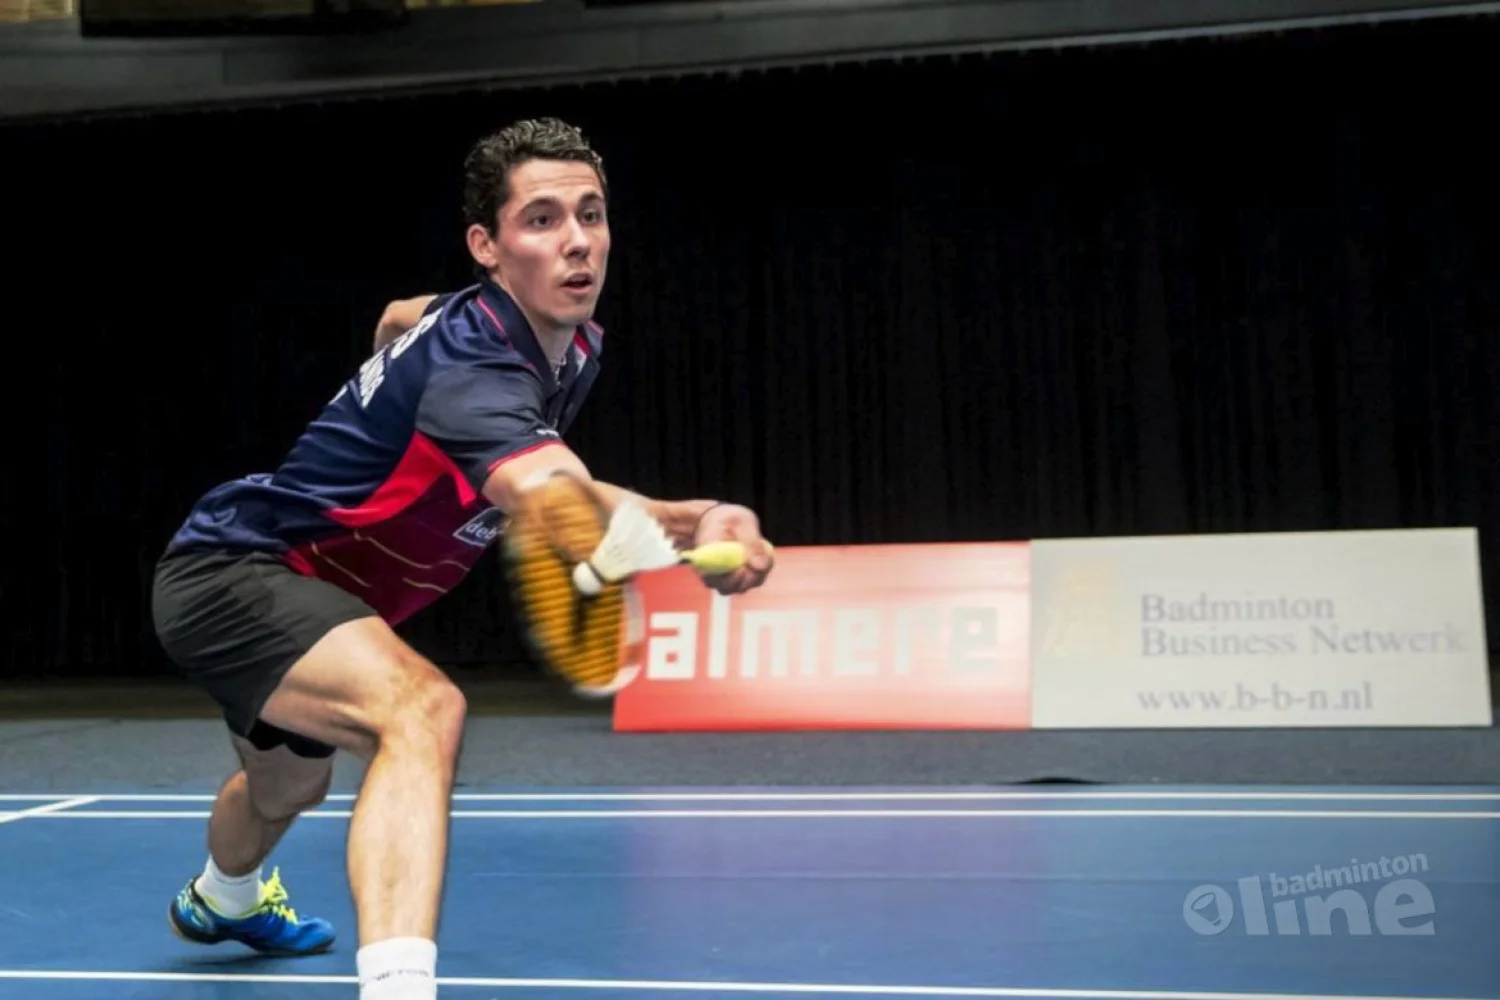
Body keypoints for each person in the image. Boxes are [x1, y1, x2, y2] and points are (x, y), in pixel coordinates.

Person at [149, 116, 774, 1000]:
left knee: (287, 786)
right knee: (422, 711)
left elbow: (401, 314)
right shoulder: (475, 371)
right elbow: (556, 498)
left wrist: (387, 374)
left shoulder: (553, 339)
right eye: (543, 219)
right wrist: (703, 516)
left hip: (321, 603)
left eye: (591, 215)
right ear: (487, 244)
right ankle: (399, 987)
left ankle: (222, 899)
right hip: (238, 573)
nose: (577, 243)